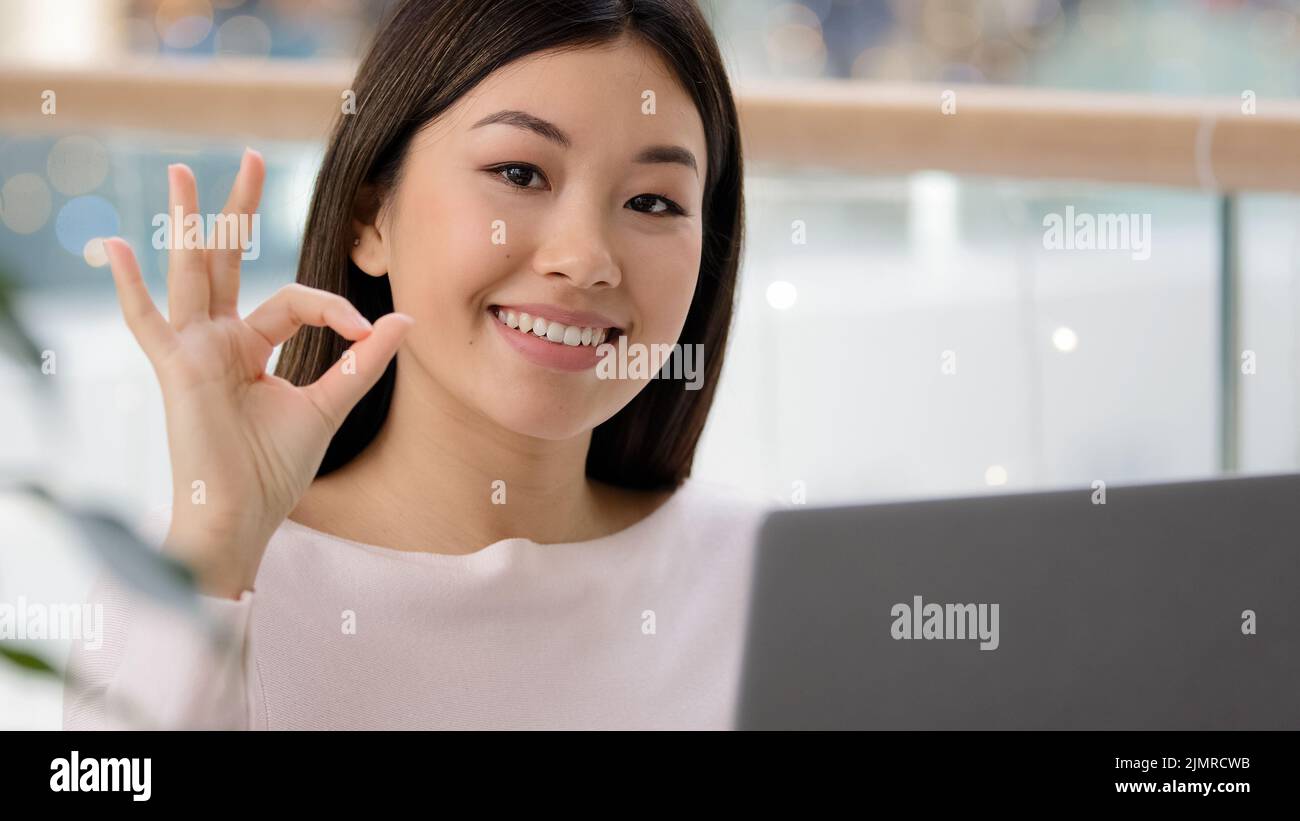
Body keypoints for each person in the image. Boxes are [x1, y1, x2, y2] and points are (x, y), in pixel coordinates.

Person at [63, 0, 769, 730]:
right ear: (370, 218)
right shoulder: (192, 574)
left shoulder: (766, 576)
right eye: (520, 173)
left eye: (653, 201)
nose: (586, 258)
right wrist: (215, 551)